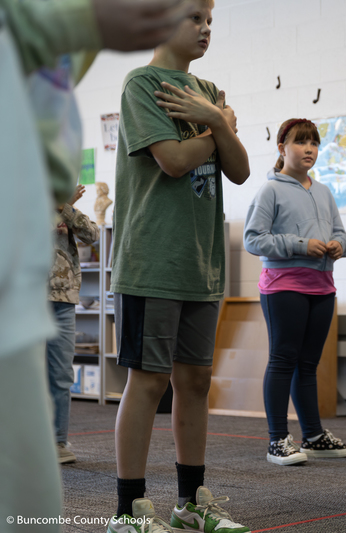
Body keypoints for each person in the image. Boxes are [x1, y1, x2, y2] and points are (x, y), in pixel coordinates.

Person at [0, 0, 190, 532]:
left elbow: (87, 231)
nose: (198, 25)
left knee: (32, 494)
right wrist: (85, 23)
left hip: (43, 293)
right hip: (20, 278)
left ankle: (59, 441)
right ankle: (125, 503)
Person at [109, 0, 251, 530]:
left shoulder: (209, 94)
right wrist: (219, 129)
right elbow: (171, 161)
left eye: (210, 20)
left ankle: (191, 502)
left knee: (194, 382)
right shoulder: (141, 85)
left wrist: (215, 118)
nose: (205, 28)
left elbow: (238, 170)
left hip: (201, 264)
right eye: (194, 17)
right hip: (152, 261)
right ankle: (129, 510)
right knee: (147, 383)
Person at [243, 118, 346, 466]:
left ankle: (314, 436)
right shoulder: (270, 190)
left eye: (314, 143)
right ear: (282, 148)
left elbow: (343, 235)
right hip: (283, 287)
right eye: (300, 142)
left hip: (322, 288)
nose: (309, 149)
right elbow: (253, 239)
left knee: (308, 365)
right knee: (283, 360)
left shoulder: (323, 191)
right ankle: (278, 440)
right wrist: (299, 245)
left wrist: (339, 245)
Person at [47, 184, 101, 464]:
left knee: (60, 374)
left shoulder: (64, 208)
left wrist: (64, 208)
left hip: (63, 300)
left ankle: (57, 441)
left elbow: (93, 234)